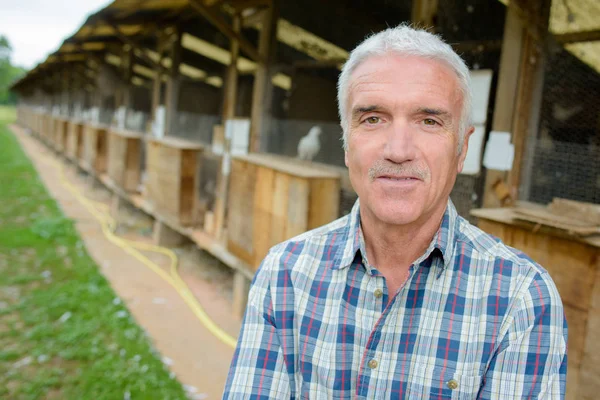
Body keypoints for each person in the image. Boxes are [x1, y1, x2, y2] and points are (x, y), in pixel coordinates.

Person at [223, 24, 567, 399]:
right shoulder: (285, 274)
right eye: (373, 119)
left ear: (462, 148)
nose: (398, 150)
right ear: (346, 142)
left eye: (429, 121)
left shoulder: (520, 300)